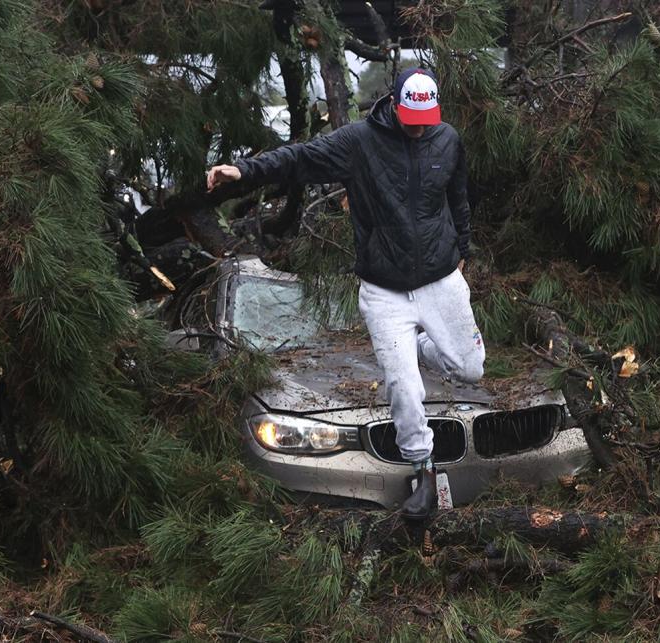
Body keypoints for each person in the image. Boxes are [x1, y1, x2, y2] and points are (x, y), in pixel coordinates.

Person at [207, 68, 485, 521]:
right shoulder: (359, 142)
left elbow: (458, 198)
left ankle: (413, 344)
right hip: (384, 288)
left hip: (440, 279)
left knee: (470, 369)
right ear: (395, 104)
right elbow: (299, 158)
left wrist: (463, 253)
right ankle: (424, 471)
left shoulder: (447, 138)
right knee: (402, 385)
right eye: (412, 117)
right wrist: (242, 171)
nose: (420, 126)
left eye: (427, 118)